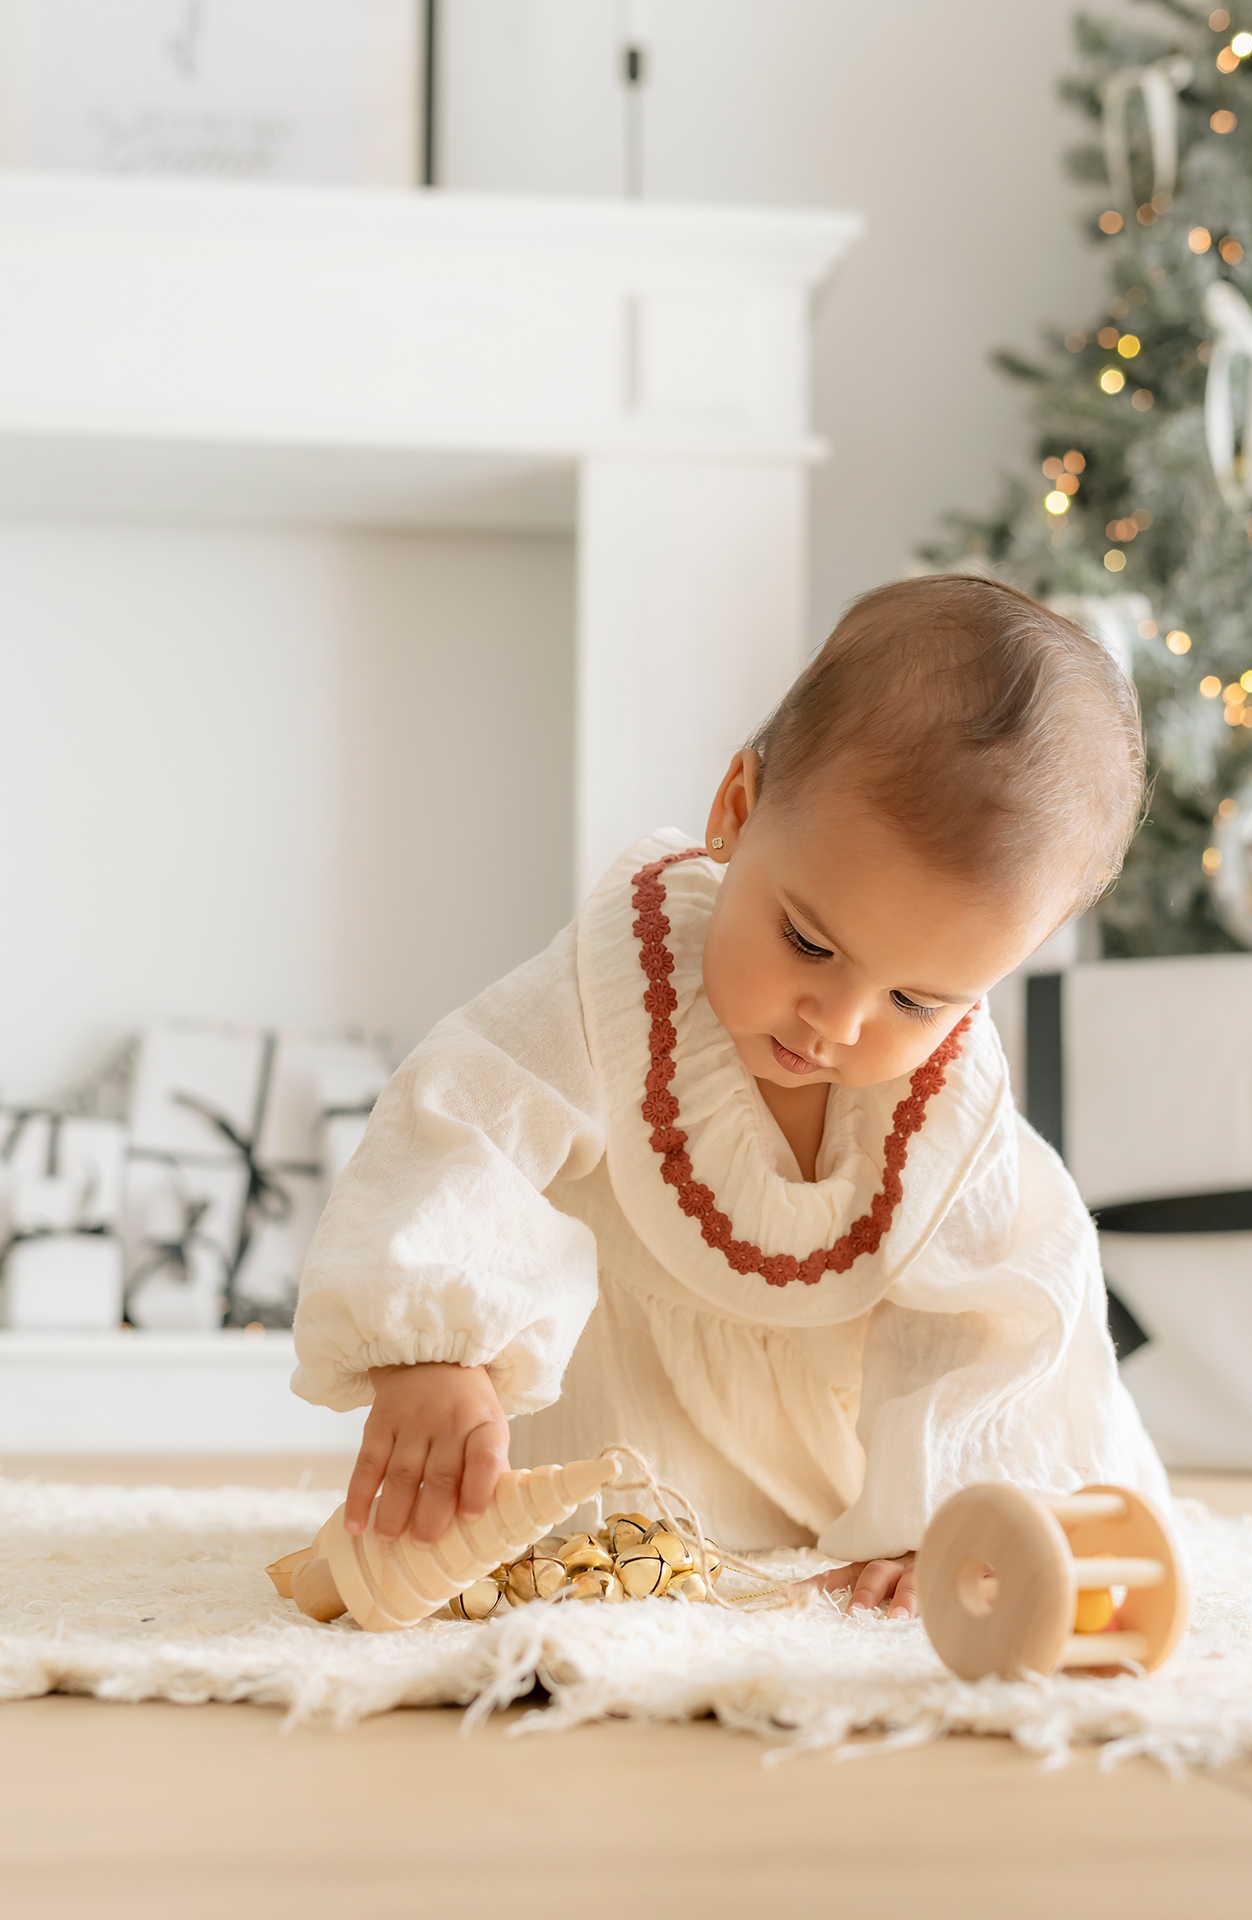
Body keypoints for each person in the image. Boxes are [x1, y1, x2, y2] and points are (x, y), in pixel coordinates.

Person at [291, 574, 1167, 1618]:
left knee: (1020, 1251)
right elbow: (465, 1119)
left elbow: (991, 1317)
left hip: (822, 1494)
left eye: (916, 997)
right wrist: (434, 1347)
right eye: (807, 940)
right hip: (600, 1464)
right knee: (561, 1537)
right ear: (736, 812)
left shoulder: (946, 1096)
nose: (836, 1022)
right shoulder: (616, 981)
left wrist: (941, 1521)